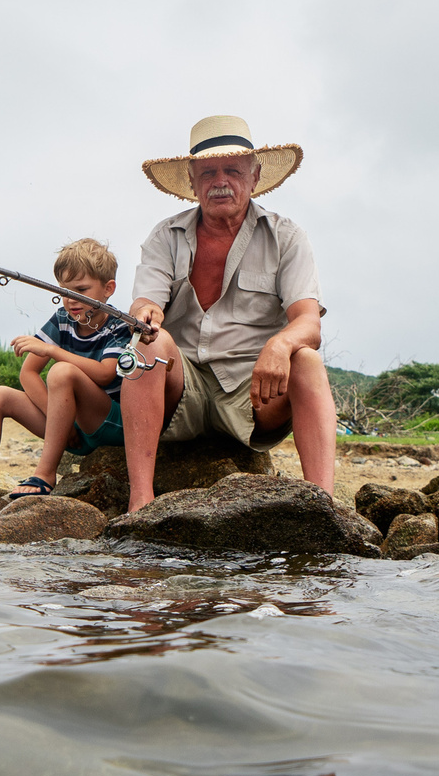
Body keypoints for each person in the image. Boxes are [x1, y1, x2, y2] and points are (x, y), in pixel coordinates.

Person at [119, 115, 336, 510]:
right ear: (192, 180)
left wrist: (280, 344)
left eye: (232, 170)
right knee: (147, 344)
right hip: (182, 387)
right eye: (208, 172)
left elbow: (308, 322)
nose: (220, 181)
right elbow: (144, 302)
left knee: (305, 359)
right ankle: (140, 501)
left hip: (252, 391)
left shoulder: (286, 236)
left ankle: (323, 505)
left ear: (254, 178)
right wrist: (147, 312)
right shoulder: (164, 235)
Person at [0, 238, 134, 517]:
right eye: (63, 291)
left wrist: (53, 351)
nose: (71, 299)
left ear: (108, 289)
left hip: (108, 422)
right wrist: (60, 421)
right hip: (72, 430)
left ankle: (45, 474)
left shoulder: (119, 325)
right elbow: (28, 373)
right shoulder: (62, 319)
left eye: (81, 290)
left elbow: (105, 374)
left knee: (62, 371)